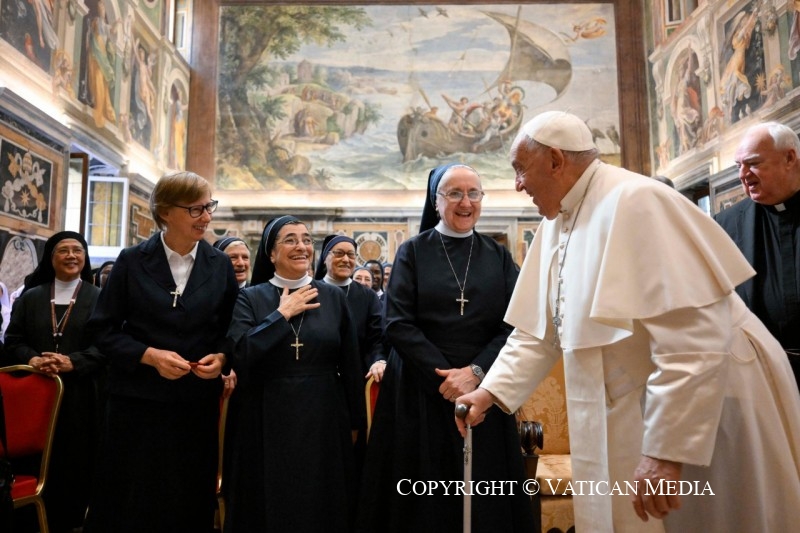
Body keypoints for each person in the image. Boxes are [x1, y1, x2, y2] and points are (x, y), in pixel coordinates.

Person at [455, 111, 800, 532]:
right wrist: (490, 392)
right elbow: (540, 332)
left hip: (712, 403)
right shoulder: (555, 222)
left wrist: (666, 451)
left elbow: (692, 339)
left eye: (520, 169)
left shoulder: (638, 201)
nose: (517, 185)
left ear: (556, 161)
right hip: (637, 407)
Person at [357, 164, 534, 533]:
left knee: (486, 493)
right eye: (454, 193)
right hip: (420, 389)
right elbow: (398, 323)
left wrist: (474, 373)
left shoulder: (497, 256)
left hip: (484, 389)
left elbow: (515, 323)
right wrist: (447, 377)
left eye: (474, 193)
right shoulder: (412, 252)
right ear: (436, 201)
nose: (465, 202)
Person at [83, 171, 239, 533]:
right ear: (166, 212)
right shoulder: (133, 260)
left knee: (187, 498)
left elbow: (231, 330)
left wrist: (222, 358)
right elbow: (101, 332)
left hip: (194, 404)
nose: (207, 217)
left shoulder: (219, 266)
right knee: (133, 499)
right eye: (196, 209)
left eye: (209, 207)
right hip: (136, 403)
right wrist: (149, 355)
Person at [224, 216, 363, 532]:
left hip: (324, 419)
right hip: (264, 418)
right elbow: (242, 353)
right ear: (271, 254)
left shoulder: (333, 298)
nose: (301, 246)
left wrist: (355, 421)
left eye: (306, 239)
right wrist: (281, 315)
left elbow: (351, 364)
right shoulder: (251, 298)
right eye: (290, 239)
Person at [3, 231, 105, 533]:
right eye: (64, 250)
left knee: (75, 459)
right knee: (34, 458)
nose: (72, 256)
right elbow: (13, 340)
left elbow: (108, 346)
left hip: (81, 396)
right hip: (37, 395)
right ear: (51, 258)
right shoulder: (32, 297)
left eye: (78, 250)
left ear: (85, 258)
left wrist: (75, 361)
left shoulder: (99, 299)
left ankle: (73, 521)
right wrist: (33, 359)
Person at [716, 121, 800, 387]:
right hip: (762, 375)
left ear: (789, 158)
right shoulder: (725, 225)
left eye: (753, 163)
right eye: (737, 165)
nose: (743, 174)